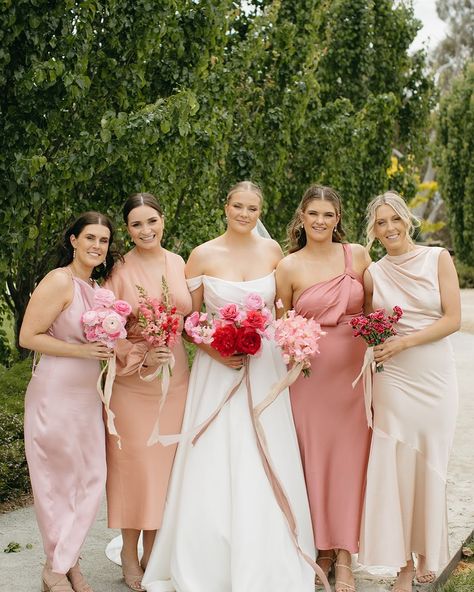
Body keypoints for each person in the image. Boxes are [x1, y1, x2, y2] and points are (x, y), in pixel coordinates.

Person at [142, 181, 316, 592]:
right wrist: (216, 349)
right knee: (215, 453)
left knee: (265, 448)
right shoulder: (202, 254)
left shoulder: (274, 253)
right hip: (217, 367)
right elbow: (192, 319)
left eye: (252, 208)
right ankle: (207, 557)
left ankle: (270, 552)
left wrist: (286, 339)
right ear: (226, 207)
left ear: (261, 212)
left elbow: (281, 309)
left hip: (264, 365)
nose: (244, 214)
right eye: (238, 206)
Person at [358, 191, 460, 592]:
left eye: (394, 219)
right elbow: (368, 323)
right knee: (396, 464)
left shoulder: (438, 259)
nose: (389, 229)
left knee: (431, 460)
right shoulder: (374, 273)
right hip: (393, 379)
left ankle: (426, 556)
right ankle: (401, 563)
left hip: (433, 375)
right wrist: (381, 344)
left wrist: (404, 342)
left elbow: (452, 319)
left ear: (407, 219)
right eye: (380, 223)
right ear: (374, 230)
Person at [275, 184, 372, 592]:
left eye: (328, 215)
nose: (320, 221)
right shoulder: (288, 266)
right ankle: (321, 550)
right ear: (301, 217)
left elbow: (371, 313)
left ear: (338, 219)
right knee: (312, 459)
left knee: (351, 462)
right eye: (312, 213)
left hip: (351, 374)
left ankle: (346, 554)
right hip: (309, 379)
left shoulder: (359, 256)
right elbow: (279, 323)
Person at [20, 212, 119, 592]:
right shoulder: (59, 281)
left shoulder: (97, 289)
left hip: (86, 397)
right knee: (56, 482)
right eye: (90, 237)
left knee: (91, 478)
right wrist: (82, 352)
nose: (97, 245)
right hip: (55, 393)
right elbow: (29, 336)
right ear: (73, 240)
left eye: (104, 240)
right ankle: (58, 569)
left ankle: (64, 560)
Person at [105, 193, 192, 591]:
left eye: (152, 221)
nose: (146, 230)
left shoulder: (178, 262)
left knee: (164, 467)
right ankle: (127, 550)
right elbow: (106, 332)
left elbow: (190, 316)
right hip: (132, 381)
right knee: (134, 466)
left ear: (163, 220)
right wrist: (141, 353)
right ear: (127, 229)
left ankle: (154, 551)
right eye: (137, 224)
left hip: (174, 377)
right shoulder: (117, 269)